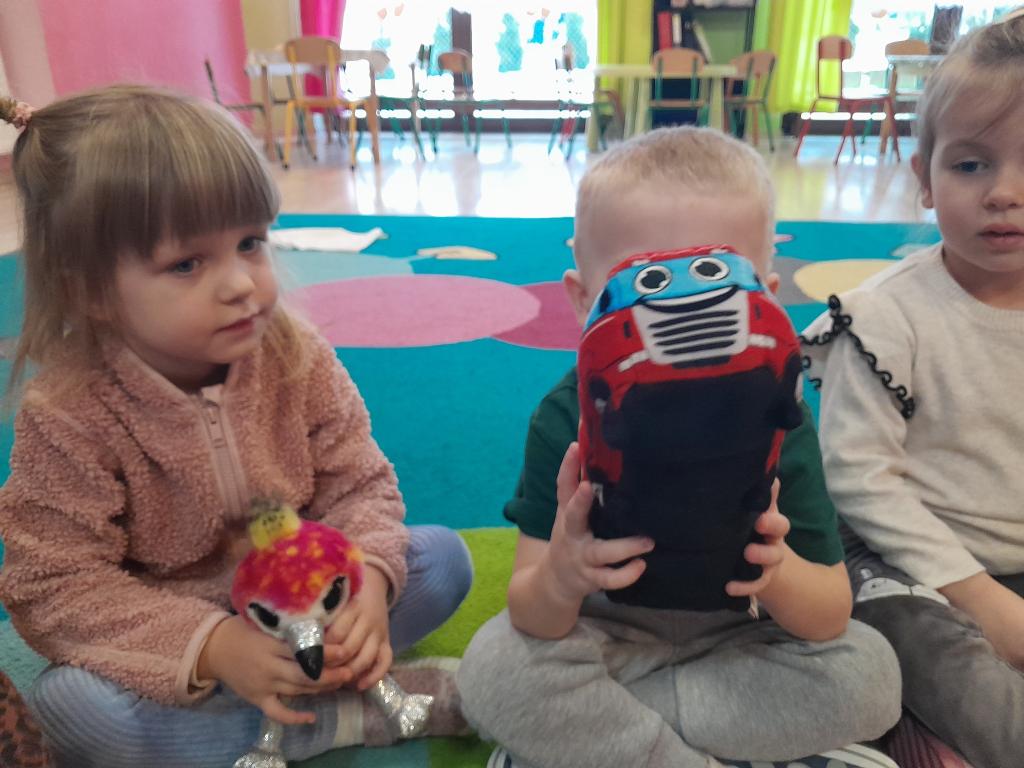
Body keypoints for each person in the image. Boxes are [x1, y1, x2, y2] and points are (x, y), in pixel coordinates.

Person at [0, 86, 472, 768]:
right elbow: (54, 584)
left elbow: (360, 484)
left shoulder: (296, 356)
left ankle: (297, 693)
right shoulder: (67, 412)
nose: (241, 284)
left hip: (306, 596)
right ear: (89, 289)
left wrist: (366, 583)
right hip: (177, 630)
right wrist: (214, 647)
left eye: (250, 243)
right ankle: (348, 715)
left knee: (441, 561)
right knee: (71, 708)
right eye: (187, 263)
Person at [456, 126, 901, 768]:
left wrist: (777, 572)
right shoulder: (564, 416)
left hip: (740, 643)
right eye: (641, 283)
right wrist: (562, 574)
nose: (680, 311)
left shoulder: (782, 414)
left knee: (872, 671)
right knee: (495, 667)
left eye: (717, 278)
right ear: (581, 300)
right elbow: (531, 611)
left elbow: (829, 613)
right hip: (610, 642)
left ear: (767, 295)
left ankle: (612, 742)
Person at [803, 10, 1024, 768]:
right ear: (925, 178)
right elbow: (859, 479)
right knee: (917, 645)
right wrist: (981, 596)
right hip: (907, 562)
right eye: (971, 165)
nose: (1004, 193)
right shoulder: (883, 316)